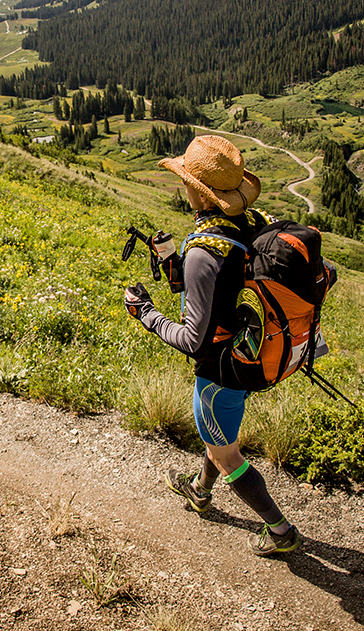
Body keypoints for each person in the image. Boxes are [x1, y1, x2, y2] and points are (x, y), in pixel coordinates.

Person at [124, 134, 301, 556]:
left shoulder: (206, 251)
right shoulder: (251, 222)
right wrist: (179, 270)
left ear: (196, 190)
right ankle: (201, 493)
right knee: (219, 436)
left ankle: (280, 531)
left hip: (219, 369)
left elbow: (192, 339)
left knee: (226, 452)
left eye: (186, 179)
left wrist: (144, 312)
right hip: (248, 351)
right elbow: (223, 286)